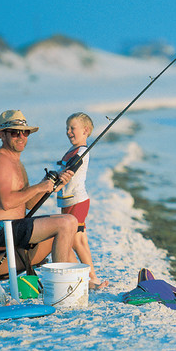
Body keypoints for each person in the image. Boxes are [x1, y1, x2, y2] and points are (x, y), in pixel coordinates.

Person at [0, 110, 77, 265]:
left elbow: (30, 204)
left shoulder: (15, 162)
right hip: (0, 230)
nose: (21, 137)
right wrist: (39, 187)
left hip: (14, 226)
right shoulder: (0, 161)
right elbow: (7, 203)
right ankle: (61, 283)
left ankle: (81, 281)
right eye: (15, 133)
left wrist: (50, 185)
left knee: (69, 222)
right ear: (2, 135)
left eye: (25, 133)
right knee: (66, 223)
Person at [56, 112, 109, 290]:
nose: (68, 132)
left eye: (72, 128)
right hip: (67, 202)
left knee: (76, 240)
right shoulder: (71, 151)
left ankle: (91, 278)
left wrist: (54, 185)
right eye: (67, 128)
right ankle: (92, 277)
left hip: (77, 201)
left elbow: (68, 175)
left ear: (85, 131)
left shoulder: (80, 151)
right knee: (80, 240)